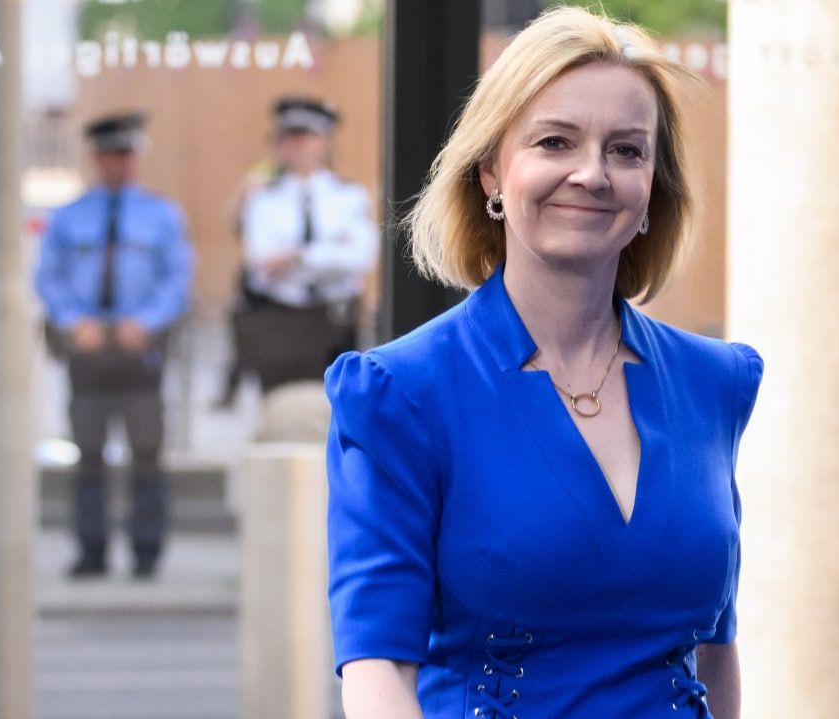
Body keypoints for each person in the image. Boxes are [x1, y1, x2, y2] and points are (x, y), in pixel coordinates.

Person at [325, 8, 762, 719]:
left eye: (626, 150)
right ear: (491, 172)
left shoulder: (713, 383)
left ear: (653, 188)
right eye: (555, 141)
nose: (592, 174)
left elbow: (717, 649)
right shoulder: (401, 393)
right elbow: (376, 668)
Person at [35, 111, 193, 579]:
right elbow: (49, 277)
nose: (117, 164)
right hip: (88, 348)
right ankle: (91, 550)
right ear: (94, 158)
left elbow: (176, 279)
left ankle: (146, 551)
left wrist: (146, 322)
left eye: (125, 155)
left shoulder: (162, 215)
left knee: (146, 451)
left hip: (139, 349)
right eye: (108, 155)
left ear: (136, 158)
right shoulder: (68, 217)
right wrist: (73, 321)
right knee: (88, 452)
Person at [234, 96, 378, 394]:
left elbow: (362, 257)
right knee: (282, 406)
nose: (297, 146)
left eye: (306, 136)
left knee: (335, 405)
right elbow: (260, 259)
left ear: (325, 142)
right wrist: (332, 247)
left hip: (335, 320)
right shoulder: (264, 198)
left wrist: (298, 256)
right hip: (279, 319)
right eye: (289, 137)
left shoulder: (349, 196)